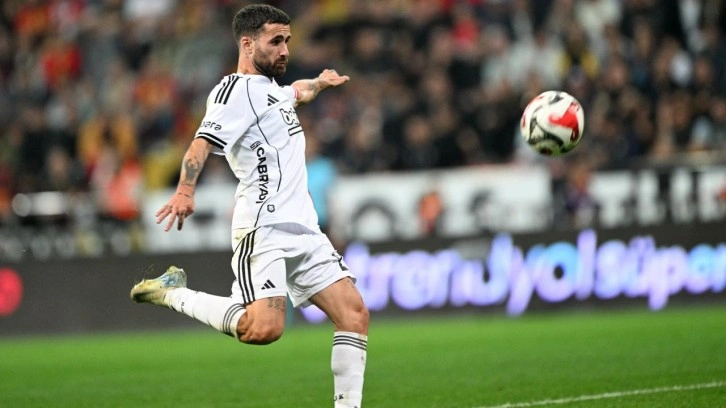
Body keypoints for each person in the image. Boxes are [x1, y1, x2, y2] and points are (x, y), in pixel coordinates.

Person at [129, 5, 369, 408]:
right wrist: (185, 190)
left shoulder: (274, 92)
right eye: (275, 41)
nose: (285, 50)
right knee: (263, 329)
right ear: (247, 43)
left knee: (354, 315)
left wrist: (320, 83)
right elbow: (201, 143)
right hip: (264, 228)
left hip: (306, 229)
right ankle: (173, 293)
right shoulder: (233, 92)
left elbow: (298, 92)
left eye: (287, 41)